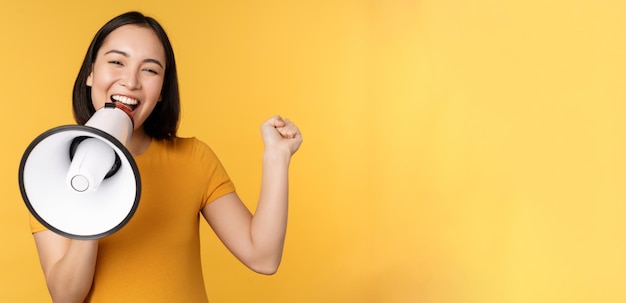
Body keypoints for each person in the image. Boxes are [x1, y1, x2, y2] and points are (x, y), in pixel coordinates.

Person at [29, 11, 302, 303]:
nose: (131, 81)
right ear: (91, 73)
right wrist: (94, 194)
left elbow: (263, 257)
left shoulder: (193, 159)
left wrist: (277, 157)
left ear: (161, 92)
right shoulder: (49, 167)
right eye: (116, 62)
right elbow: (66, 297)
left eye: (149, 70)